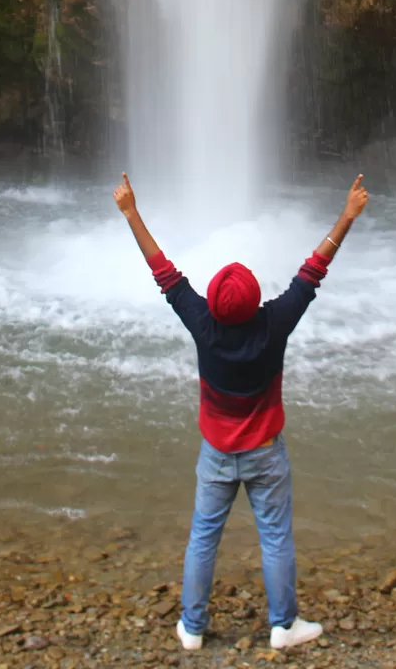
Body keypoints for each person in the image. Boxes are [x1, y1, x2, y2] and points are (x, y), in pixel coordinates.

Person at [113, 171, 370, 653]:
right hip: (265, 453)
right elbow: (314, 269)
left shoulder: (202, 324)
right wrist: (348, 215)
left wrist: (130, 213)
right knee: (274, 538)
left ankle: (192, 627)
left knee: (203, 538)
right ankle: (283, 624)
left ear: (212, 302)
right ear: (255, 300)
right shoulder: (275, 323)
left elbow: (163, 272)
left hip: (216, 453)